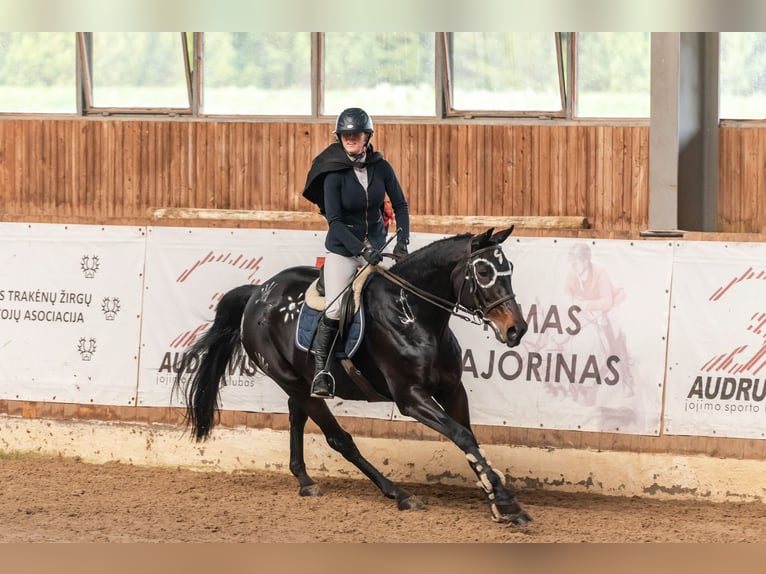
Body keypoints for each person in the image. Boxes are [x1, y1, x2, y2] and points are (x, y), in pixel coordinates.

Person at [302, 107, 410, 398]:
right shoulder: (333, 173)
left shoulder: (380, 167)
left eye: (355, 134)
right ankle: (321, 372)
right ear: (340, 138)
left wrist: (403, 241)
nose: (350, 139)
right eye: (345, 135)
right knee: (336, 307)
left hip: (377, 247)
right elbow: (334, 222)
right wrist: (361, 250)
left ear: (367, 137)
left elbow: (400, 205)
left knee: (397, 298)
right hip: (344, 252)